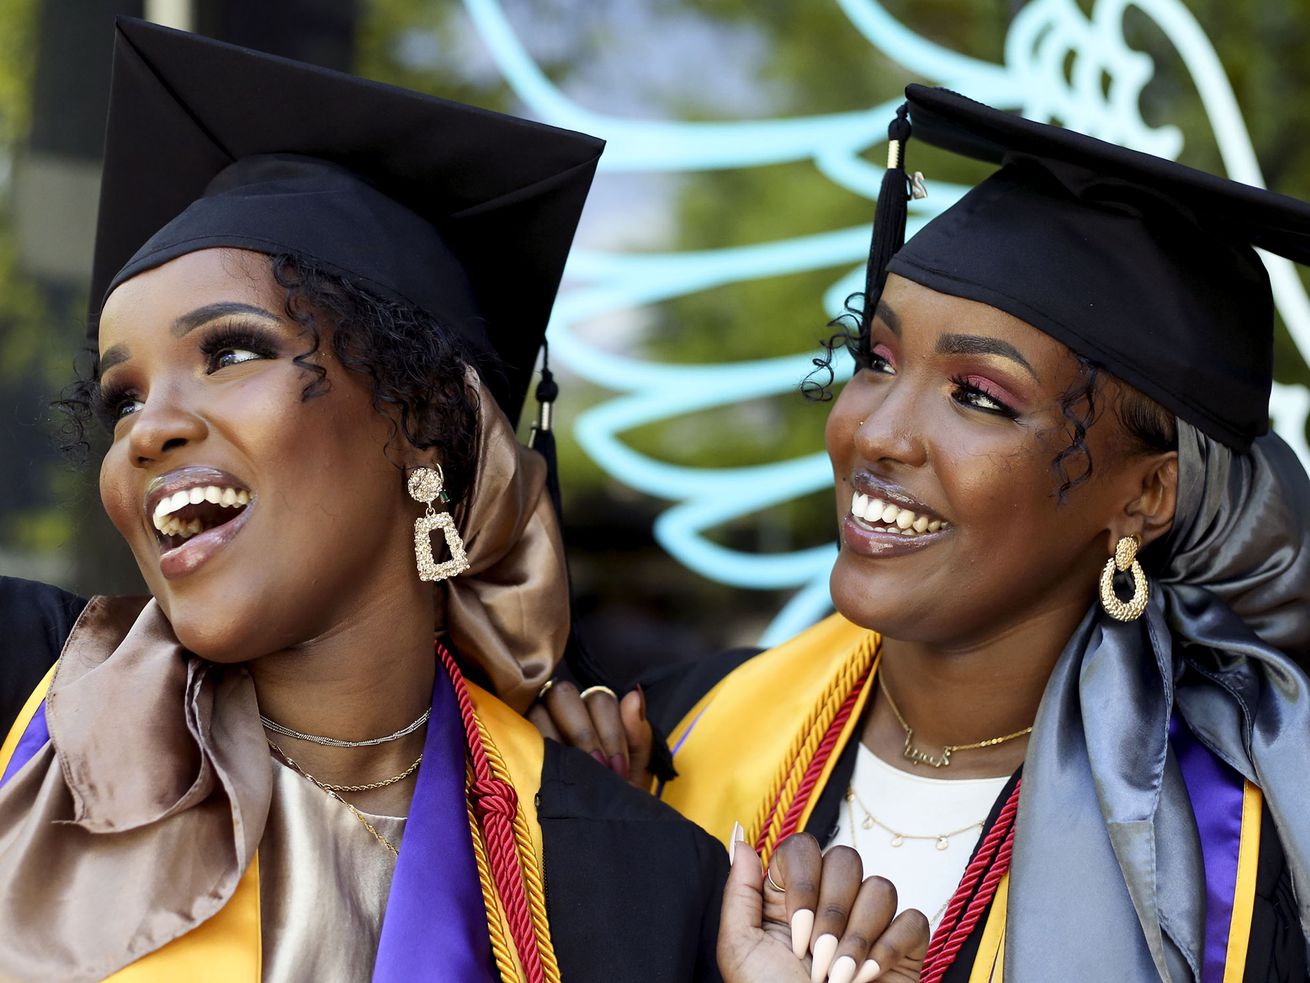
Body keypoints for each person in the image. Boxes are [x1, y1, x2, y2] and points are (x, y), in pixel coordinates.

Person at [0, 20, 929, 983]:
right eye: (124, 398)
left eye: (231, 351)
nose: (148, 430)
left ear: (426, 417)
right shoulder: (31, 703)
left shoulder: (627, 881)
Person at [533, 84, 1310, 982]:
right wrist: (614, 873)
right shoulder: (679, 738)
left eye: (979, 395)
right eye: (877, 359)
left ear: (1146, 496)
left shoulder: (1244, 853)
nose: (876, 432)